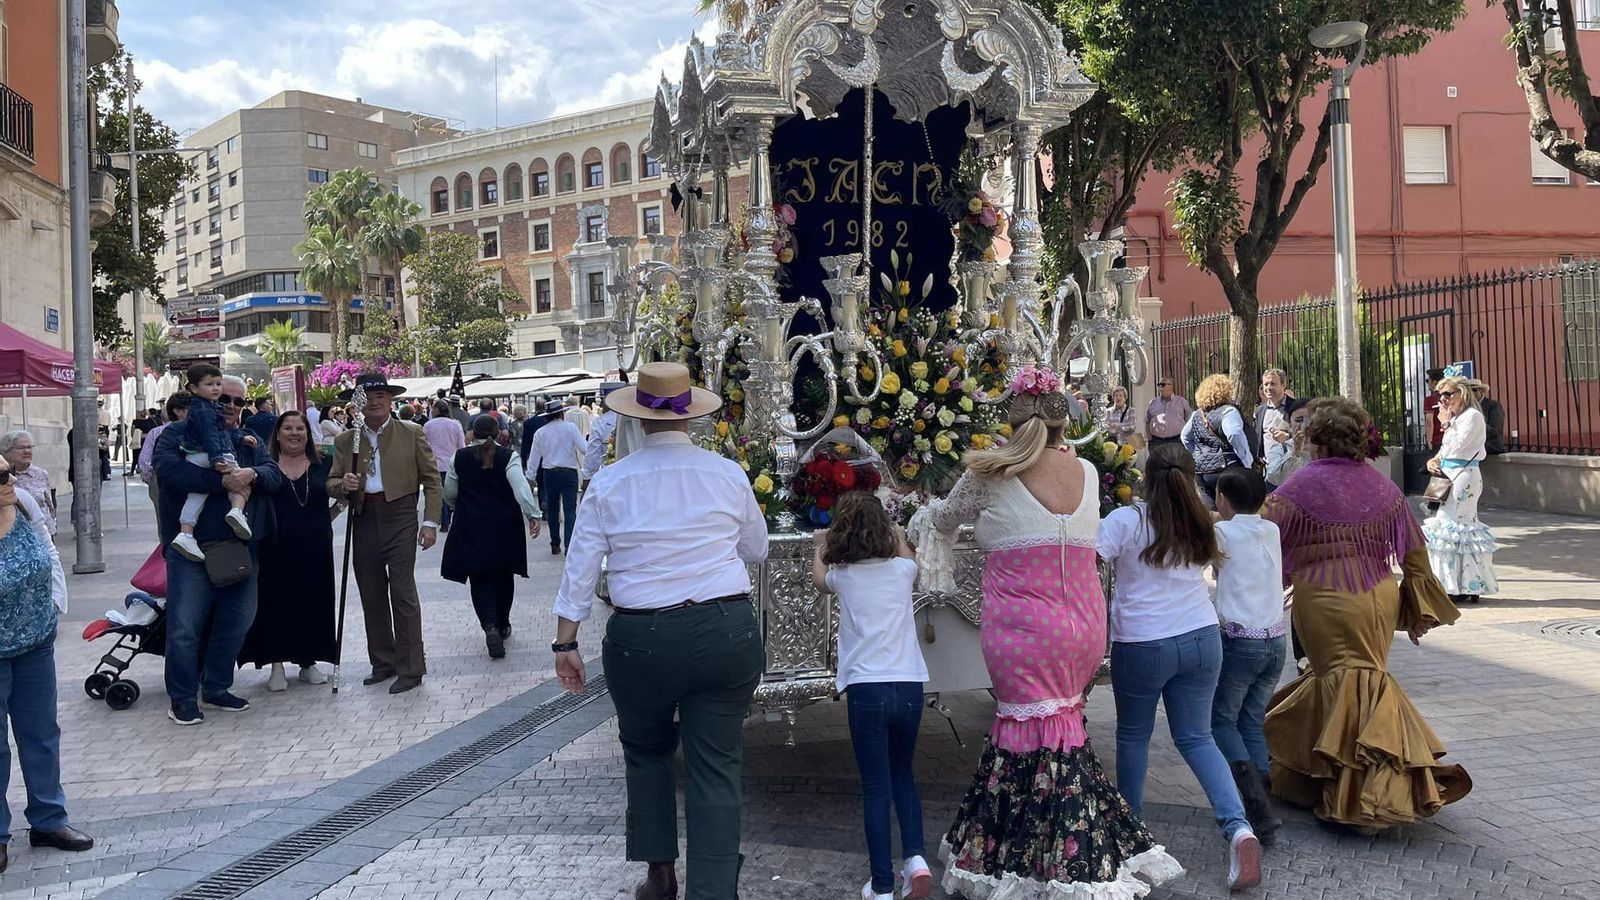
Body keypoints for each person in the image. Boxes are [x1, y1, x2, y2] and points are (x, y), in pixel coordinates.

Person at [930, 366, 1184, 899]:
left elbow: (944, 519)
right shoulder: (1090, 473)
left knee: (1024, 738)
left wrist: (918, 518)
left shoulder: (990, 471)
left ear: (1014, 419)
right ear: (1064, 421)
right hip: (1085, 626)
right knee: (1062, 736)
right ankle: (1060, 846)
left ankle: (1047, 864)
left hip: (1023, 630)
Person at [551, 362, 767, 900]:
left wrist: (566, 642)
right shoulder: (726, 473)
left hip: (642, 638)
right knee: (716, 763)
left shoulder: (609, 480)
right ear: (689, 417)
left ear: (638, 419)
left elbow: (581, 569)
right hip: (724, 629)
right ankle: (714, 889)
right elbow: (756, 549)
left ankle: (660, 873)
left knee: (645, 751)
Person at [1263, 398, 1471, 831]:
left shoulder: (1301, 485)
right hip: (1377, 594)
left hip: (1325, 595)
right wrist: (1418, 610)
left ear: (1318, 439)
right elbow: (1415, 554)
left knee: (1338, 682)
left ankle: (1353, 799)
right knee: (1368, 681)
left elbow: (1262, 531)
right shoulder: (1383, 487)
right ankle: (1366, 786)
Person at [1097, 443, 1261, 891]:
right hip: (1202, 638)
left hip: (1144, 643)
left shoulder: (1126, 521)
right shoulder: (1200, 519)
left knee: (1133, 736)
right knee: (1197, 737)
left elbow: (1087, 556)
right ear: (1190, 478)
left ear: (1146, 478)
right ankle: (1239, 828)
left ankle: (1132, 839)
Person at [811, 492, 931, 900]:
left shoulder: (844, 576)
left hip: (867, 688)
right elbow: (908, 553)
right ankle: (916, 860)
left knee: (875, 787)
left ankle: (881, 885)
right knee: (904, 774)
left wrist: (818, 545)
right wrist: (896, 530)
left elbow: (818, 577)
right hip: (910, 685)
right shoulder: (901, 570)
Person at [154, 374, 282, 725]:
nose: (229, 406)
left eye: (239, 402)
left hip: (237, 548)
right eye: (223, 397)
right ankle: (182, 697)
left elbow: (274, 475)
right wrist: (223, 480)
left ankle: (216, 687)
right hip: (191, 549)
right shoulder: (178, 434)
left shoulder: (247, 440)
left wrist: (251, 474)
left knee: (237, 621)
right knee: (184, 627)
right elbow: (168, 472)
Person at [0, 455, 95, 873]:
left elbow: (48, 547)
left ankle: (48, 820)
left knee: (41, 734)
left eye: (9, 471)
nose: (10, 479)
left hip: (36, 643)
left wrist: (57, 601)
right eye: (1, 474)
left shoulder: (21, 500)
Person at [327, 372, 443, 695]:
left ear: (390, 400)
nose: (375, 401)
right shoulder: (345, 440)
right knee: (371, 591)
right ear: (357, 403)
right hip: (363, 516)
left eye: (381, 395)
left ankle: (411, 666)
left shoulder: (411, 433)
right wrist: (344, 485)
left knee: (402, 591)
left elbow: (432, 480)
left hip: (401, 513)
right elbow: (332, 482)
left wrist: (430, 522)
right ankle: (383, 661)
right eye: (367, 396)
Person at [1208, 467, 1285, 846]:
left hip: (1240, 644)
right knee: (1252, 721)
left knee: (1221, 720)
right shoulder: (1270, 530)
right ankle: (1264, 801)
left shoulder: (1221, 532)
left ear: (1222, 499)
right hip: (1275, 641)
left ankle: (1255, 807)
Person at [238, 411, 338, 691]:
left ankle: (308, 662)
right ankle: (276, 664)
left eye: (300, 428)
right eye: (288, 428)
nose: (294, 433)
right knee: (274, 602)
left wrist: (335, 511)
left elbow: (341, 491)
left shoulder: (323, 463)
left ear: (308, 433)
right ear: (278, 434)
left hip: (315, 545)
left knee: (313, 600)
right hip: (273, 544)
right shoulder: (267, 465)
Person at [442, 416, 542, 659]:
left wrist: (459, 506)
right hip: (504, 524)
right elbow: (520, 488)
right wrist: (533, 514)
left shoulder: (460, 457)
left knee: (479, 578)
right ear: (499, 434)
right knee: (504, 575)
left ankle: (490, 625)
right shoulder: (508, 457)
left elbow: (450, 492)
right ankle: (503, 622)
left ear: (472, 433)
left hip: (470, 523)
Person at [1423, 376, 1498, 604]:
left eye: (1448, 394)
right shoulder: (1457, 418)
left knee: (1456, 526)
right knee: (1453, 527)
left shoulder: (1472, 417)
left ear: (1462, 394)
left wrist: (1445, 422)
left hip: (1464, 477)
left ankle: (1461, 585)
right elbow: (1446, 450)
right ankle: (1459, 583)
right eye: (1440, 395)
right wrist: (1432, 461)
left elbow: (1459, 446)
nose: (1443, 399)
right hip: (1450, 475)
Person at [170, 364, 253, 562]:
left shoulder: (203, 409)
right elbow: (211, 436)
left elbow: (222, 432)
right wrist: (217, 459)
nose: (216, 388)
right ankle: (237, 511)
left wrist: (240, 438)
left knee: (196, 496)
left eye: (218, 384)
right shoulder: (206, 412)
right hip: (210, 455)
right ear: (194, 388)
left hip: (195, 456)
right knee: (242, 480)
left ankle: (186, 533)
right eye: (210, 385)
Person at [1181, 373, 1253, 508]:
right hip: (1226, 468)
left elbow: (1185, 436)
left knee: (1211, 514)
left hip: (1201, 471)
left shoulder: (1197, 414)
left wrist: (1198, 454)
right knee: (1234, 511)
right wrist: (1247, 461)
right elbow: (1234, 434)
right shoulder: (1228, 411)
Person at [526, 399, 584, 555]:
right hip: (568, 471)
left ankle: (554, 543)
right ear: (561, 413)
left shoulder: (541, 432)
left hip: (549, 473)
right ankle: (569, 544)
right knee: (570, 510)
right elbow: (584, 448)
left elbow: (534, 457)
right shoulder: (571, 428)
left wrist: (530, 477)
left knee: (552, 509)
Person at [139, 392, 192, 513]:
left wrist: (152, 481)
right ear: (178, 411)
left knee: (164, 521)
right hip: (173, 479)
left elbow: (144, 462)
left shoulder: (155, 432)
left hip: (160, 480)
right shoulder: (164, 433)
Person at [0, 431, 57, 536]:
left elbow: (50, 504)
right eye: (21, 448)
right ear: (6, 451)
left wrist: (52, 526)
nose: (27, 451)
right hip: (12, 534)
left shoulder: (41, 474)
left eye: (29, 447)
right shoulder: (3, 477)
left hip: (43, 532)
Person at [422, 400, 466, 533]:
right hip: (451, 463)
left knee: (437, 492)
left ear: (435, 410)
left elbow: (423, 445)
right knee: (450, 492)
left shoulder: (428, 425)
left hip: (433, 463)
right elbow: (461, 445)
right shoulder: (454, 425)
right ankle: (449, 517)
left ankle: (443, 519)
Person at [1251, 369, 1304, 474]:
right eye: (1266, 384)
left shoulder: (1297, 407)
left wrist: (1288, 437)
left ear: (1283, 385)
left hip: (1291, 469)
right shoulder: (1260, 410)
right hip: (1268, 469)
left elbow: (1307, 434)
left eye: (1273, 384)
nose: (1268, 388)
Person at [1264, 402, 1313, 488]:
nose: (1304, 425)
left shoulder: (1325, 448)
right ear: (1290, 424)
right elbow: (1273, 477)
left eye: (1309, 420)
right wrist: (1295, 453)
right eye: (1299, 420)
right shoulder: (1280, 448)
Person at [1145, 376, 1190, 450]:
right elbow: (1147, 421)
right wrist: (1150, 438)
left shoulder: (1182, 402)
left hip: (1176, 441)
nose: (1160, 387)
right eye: (1159, 385)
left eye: (1163, 384)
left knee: (1176, 461)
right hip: (1157, 442)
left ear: (1171, 386)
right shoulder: (1153, 403)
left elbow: (1189, 420)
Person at [1469, 379, 1507, 455]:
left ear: (1480, 391)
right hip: (1474, 451)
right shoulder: (1468, 407)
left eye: (1474, 390)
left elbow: (1495, 430)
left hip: (1491, 449)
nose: (1471, 394)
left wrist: (1477, 422)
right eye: (1468, 391)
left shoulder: (1493, 406)